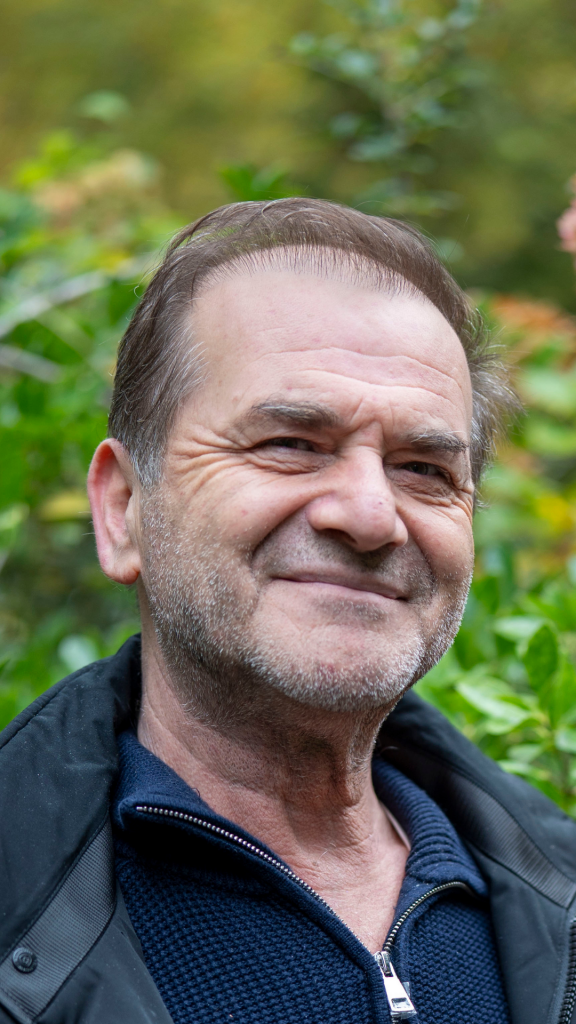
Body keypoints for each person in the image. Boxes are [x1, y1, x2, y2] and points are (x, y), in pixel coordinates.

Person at [0, 199, 575, 1024]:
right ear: (124, 509)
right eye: (290, 445)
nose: (370, 515)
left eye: (424, 468)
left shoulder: (554, 901)